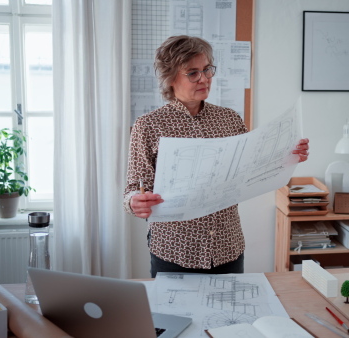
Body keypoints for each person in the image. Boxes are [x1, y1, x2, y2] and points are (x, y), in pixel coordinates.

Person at [124, 35, 309, 277]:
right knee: (176, 315)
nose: (204, 78)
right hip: (175, 251)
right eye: (192, 73)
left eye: (207, 69)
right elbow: (133, 189)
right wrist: (133, 202)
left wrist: (289, 157)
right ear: (170, 78)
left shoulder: (229, 119)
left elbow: (252, 169)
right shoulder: (148, 125)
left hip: (227, 247)